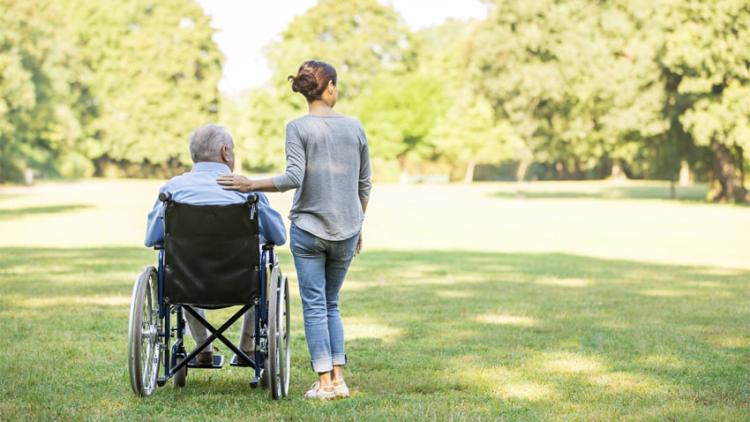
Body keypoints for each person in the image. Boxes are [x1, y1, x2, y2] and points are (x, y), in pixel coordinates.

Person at [217, 60, 371, 400]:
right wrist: (358, 225)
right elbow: (364, 185)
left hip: (309, 230)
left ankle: (325, 383)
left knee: (315, 305)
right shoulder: (355, 127)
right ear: (329, 87)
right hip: (346, 229)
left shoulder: (297, 128)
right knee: (332, 303)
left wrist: (250, 183)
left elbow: (293, 178)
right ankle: (339, 379)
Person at [144, 124, 286, 366]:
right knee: (262, 268)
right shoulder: (247, 191)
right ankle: (248, 349)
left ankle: (203, 350)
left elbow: (152, 239)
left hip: (187, 284)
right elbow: (279, 237)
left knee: (182, 264)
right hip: (242, 284)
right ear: (225, 152)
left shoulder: (172, 191)